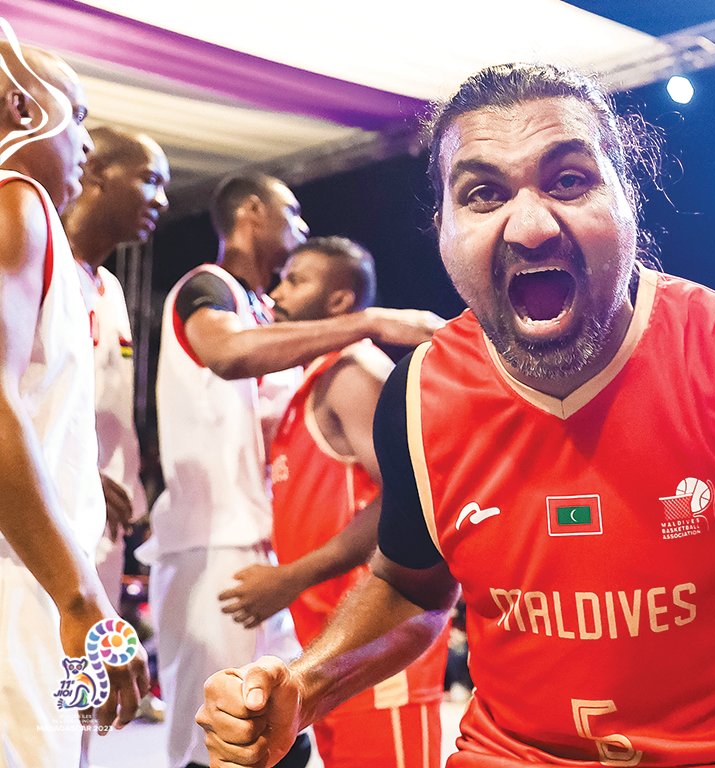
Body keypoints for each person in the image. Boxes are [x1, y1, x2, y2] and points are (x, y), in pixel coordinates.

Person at [198, 63, 715, 768]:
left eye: (569, 180)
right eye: (482, 194)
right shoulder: (419, 391)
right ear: (443, 228)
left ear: (627, 198)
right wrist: (303, 685)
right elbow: (410, 587)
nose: (531, 225)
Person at [152, 173, 443, 768]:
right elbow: (230, 355)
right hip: (217, 549)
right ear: (252, 212)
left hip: (279, 562)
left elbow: (406, 487)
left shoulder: (292, 329)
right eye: (292, 212)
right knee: (216, 746)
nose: (302, 227)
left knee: (275, 737)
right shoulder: (210, 287)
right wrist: (370, 320)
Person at [217, 236, 449, 767]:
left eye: (296, 280)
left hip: (378, 648)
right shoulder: (311, 382)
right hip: (335, 651)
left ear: (341, 302)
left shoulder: (352, 374)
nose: (276, 293)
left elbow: (406, 501)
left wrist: (290, 576)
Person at [0, 40, 148, 766]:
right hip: (21, 580)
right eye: (78, 117)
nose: (85, 144)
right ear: (24, 109)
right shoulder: (15, 200)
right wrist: (83, 602)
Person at [62, 125, 170, 605]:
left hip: (106, 520)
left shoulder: (109, 285)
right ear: (96, 174)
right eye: (150, 180)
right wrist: (79, 471)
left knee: (88, 676)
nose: (162, 201)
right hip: (47, 516)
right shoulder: (37, 265)